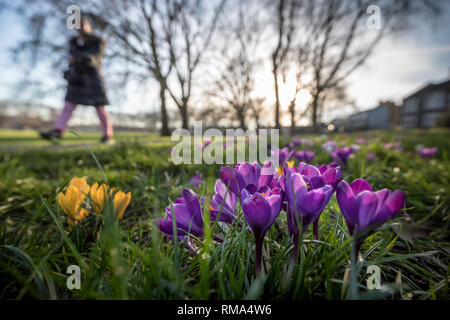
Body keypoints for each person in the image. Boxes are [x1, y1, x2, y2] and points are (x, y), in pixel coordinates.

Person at [40, 17, 113, 144]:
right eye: (77, 27)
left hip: (92, 78)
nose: (79, 30)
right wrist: (68, 72)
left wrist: (77, 58)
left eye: (81, 26)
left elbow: (94, 58)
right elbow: (71, 60)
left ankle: (107, 135)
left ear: (87, 26)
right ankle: (57, 131)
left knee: (99, 107)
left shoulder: (97, 41)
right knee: (68, 105)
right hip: (76, 78)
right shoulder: (74, 42)